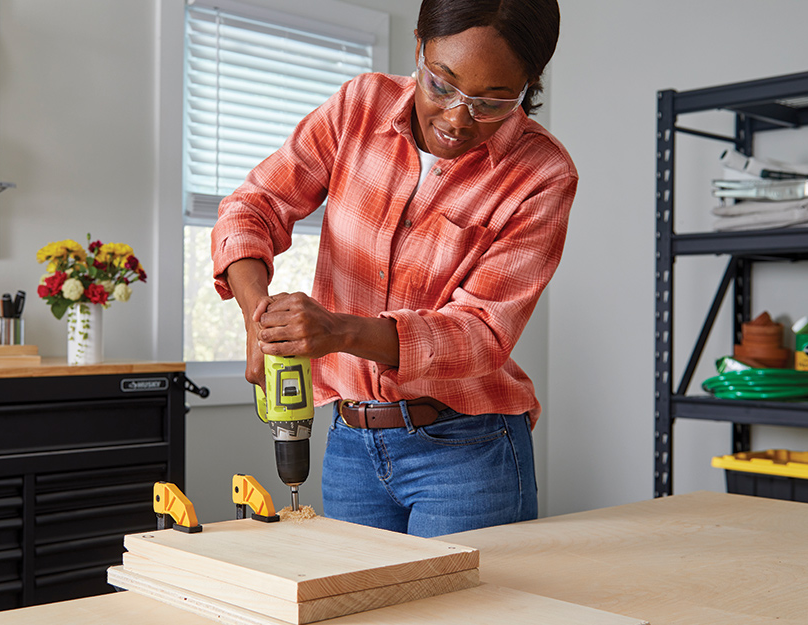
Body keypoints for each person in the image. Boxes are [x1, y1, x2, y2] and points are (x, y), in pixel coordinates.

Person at [211, 0, 576, 538]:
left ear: (528, 84)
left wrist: (339, 331)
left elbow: (482, 336)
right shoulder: (358, 108)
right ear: (419, 47)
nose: (456, 119)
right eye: (442, 84)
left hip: (468, 453)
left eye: (492, 102)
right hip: (351, 444)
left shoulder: (541, 174)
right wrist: (255, 316)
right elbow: (252, 207)